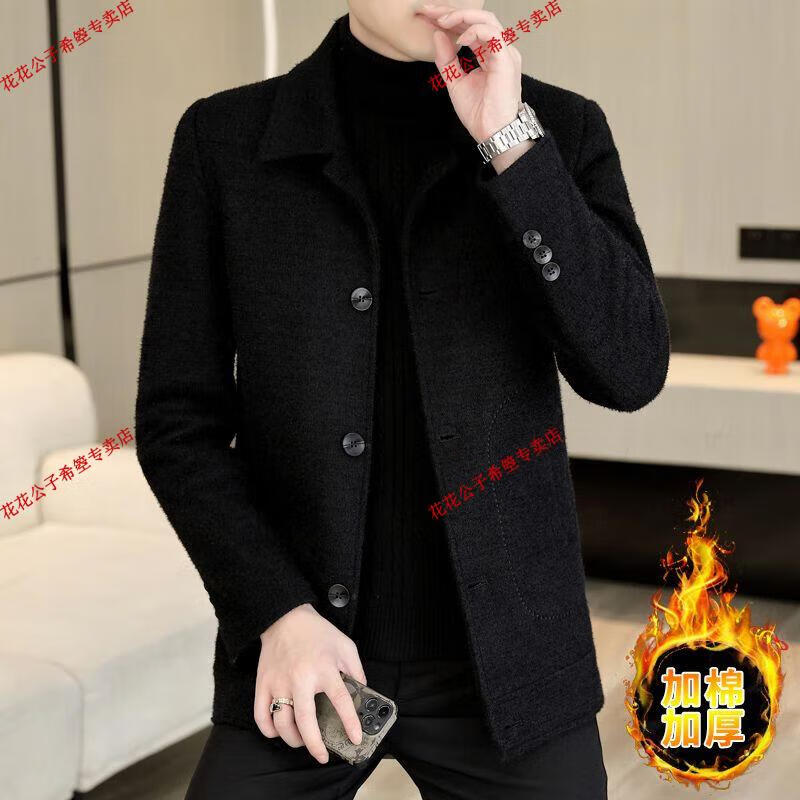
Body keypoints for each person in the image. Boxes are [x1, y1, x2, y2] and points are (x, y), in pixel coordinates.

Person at [135, 1, 671, 797]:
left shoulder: (556, 128)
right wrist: (279, 614)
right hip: (305, 656)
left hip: (511, 662)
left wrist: (509, 144)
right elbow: (178, 423)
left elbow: (630, 370)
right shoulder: (226, 140)